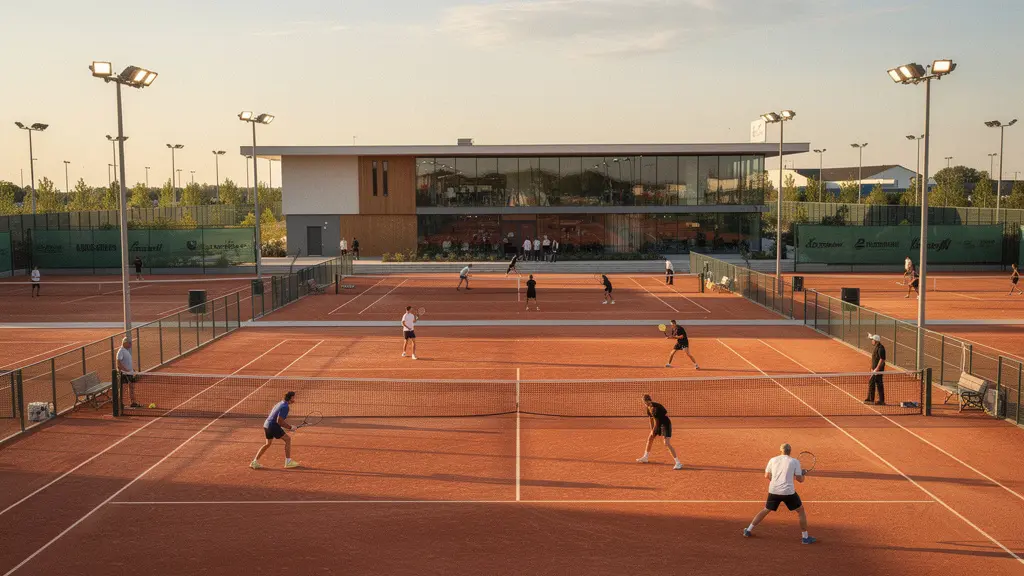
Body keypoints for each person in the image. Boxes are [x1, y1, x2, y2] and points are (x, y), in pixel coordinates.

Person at [743, 443, 815, 544]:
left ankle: (748, 530)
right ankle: (805, 537)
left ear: (781, 451)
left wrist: (776, 482)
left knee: (766, 510)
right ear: (790, 451)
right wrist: (803, 474)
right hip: (788, 492)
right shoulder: (795, 462)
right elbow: (800, 480)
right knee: (801, 511)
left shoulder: (773, 460)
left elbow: (767, 475)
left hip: (774, 491)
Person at [251, 391, 300, 469]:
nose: (294, 399)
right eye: (293, 397)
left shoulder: (280, 403)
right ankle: (288, 462)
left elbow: (276, 419)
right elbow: (279, 421)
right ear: (290, 398)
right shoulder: (285, 407)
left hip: (266, 424)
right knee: (288, 439)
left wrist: (286, 427)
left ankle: (254, 462)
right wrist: (290, 427)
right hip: (273, 426)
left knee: (268, 444)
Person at [636, 394, 683, 470]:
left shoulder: (656, 407)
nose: (645, 404)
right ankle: (645, 457)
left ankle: (678, 463)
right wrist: (652, 430)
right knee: (650, 438)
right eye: (644, 402)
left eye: (645, 402)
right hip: (658, 423)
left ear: (648, 400)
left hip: (665, 424)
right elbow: (651, 418)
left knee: (666, 443)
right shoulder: (648, 407)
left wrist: (654, 430)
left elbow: (657, 421)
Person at [116, 337, 140, 408]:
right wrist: (126, 371)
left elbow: (127, 362)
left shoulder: (126, 351)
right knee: (123, 389)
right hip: (124, 374)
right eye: (129, 343)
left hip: (129, 373)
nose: (131, 344)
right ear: (125, 343)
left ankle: (133, 402)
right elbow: (118, 363)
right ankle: (120, 403)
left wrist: (132, 370)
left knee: (131, 387)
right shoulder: (121, 351)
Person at [864, 333, 886, 405]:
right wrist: (871, 368)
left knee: (876, 384)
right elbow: (875, 359)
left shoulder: (881, 348)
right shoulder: (876, 347)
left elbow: (882, 359)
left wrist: (877, 369)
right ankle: (872, 399)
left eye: (872, 340)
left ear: (876, 341)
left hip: (878, 370)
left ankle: (873, 400)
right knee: (874, 383)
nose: (872, 341)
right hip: (874, 370)